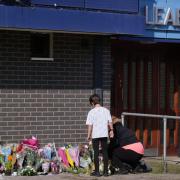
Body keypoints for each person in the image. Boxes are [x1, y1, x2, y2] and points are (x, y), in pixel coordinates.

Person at [86, 94, 114, 177]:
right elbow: (110, 122)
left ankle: (97, 172)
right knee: (105, 152)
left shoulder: (91, 112)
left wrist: (88, 135)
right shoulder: (106, 110)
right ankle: (105, 172)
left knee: (96, 153)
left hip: (95, 135)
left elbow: (90, 125)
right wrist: (111, 131)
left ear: (92, 102)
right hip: (104, 134)